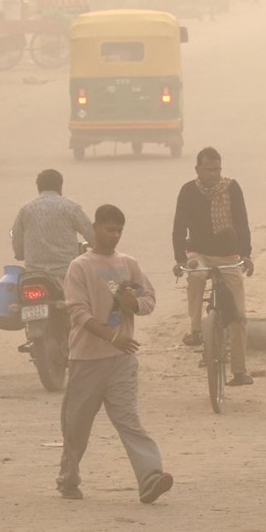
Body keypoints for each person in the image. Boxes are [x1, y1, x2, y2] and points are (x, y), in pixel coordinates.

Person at [57, 204, 172, 504]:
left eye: (119, 230)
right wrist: (113, 337)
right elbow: (79, 313)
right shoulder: (79, 267)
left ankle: (150, 477)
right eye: (109, 229)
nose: (115, 235)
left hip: (121, 362)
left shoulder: (128, 264)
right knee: (76, 426)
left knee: (128, 421)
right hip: (86, 360)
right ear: (95, 228)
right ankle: (68, 479)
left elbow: (149, 300)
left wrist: (133, 305)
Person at [171, 147, 255, 387]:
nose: (214, 174)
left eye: (217, 169)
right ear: (198, 169)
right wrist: (179, 259)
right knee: (195, 275)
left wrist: (246, 254)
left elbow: (242, 221)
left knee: (239, 315)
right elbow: (179, 227)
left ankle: (239, 371)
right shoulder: (188, 191)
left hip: (229, 255)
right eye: (209, 170)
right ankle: (196, 329)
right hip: (199, 252)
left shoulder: (232, 188)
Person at [11, 169, 95, 279]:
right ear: (60, 187)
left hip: (35, 274)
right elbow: (91, 233)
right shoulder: (70, 207)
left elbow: (16, 237)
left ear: (38, 188)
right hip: (67, 272)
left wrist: (19, 253)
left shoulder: (26, 209)